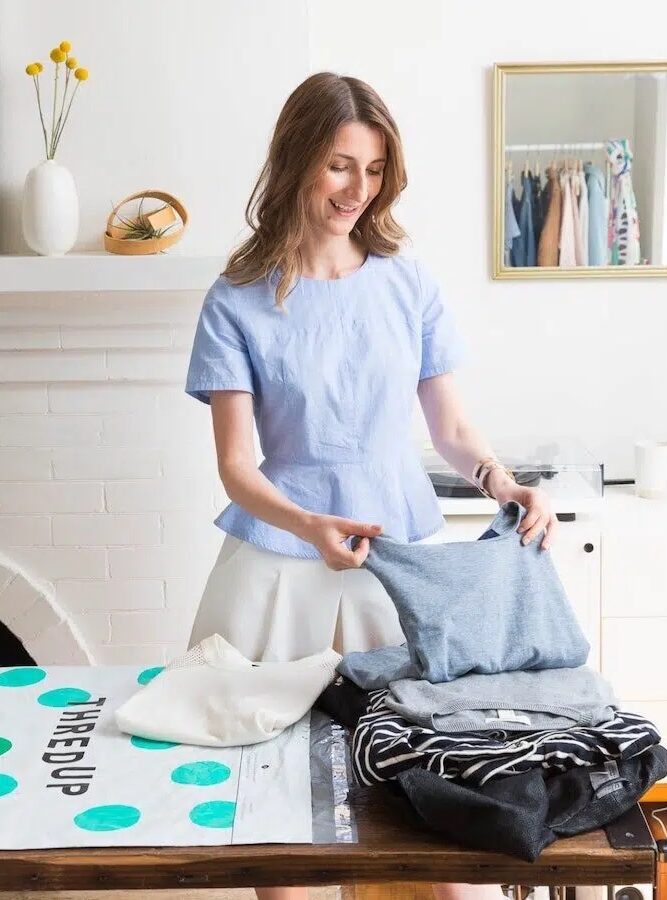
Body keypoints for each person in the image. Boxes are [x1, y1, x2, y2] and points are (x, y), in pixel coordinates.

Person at [184, 71, 557, 900]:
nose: (360, 188)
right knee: (280, 824)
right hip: (279, 569)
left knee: (434, 810)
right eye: (340, 165)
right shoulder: (236, 300)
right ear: (295, 163)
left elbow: (451, 432)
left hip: (396, 564)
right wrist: (311, 522)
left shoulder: (407, 283)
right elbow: (238, 468)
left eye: (375, 168)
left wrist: (504, 483)